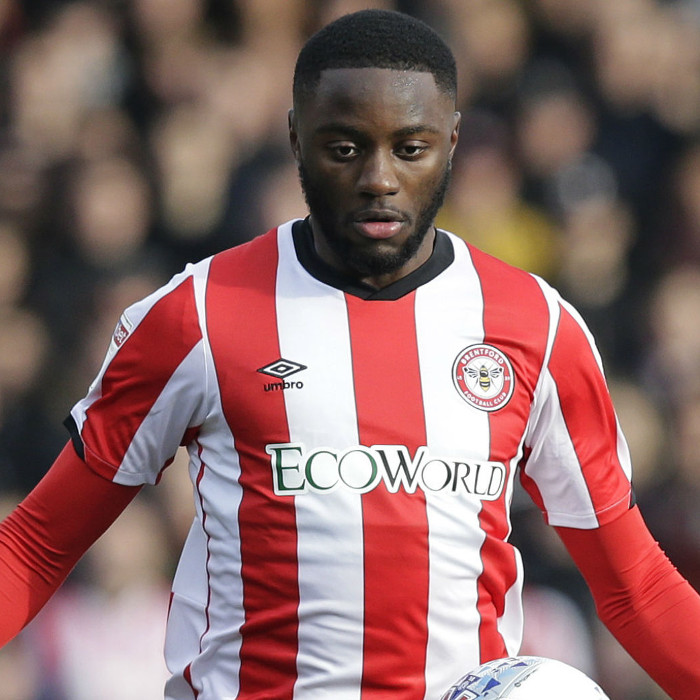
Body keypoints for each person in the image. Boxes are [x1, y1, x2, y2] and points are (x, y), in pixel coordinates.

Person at [0, 9, 698, 699]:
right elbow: (37, 545)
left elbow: (634, 585)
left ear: (453, 142)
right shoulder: (198, 315)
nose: (378, 178)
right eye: (344, 148)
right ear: (295, 139)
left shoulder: (537, 326)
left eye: (411, 148)